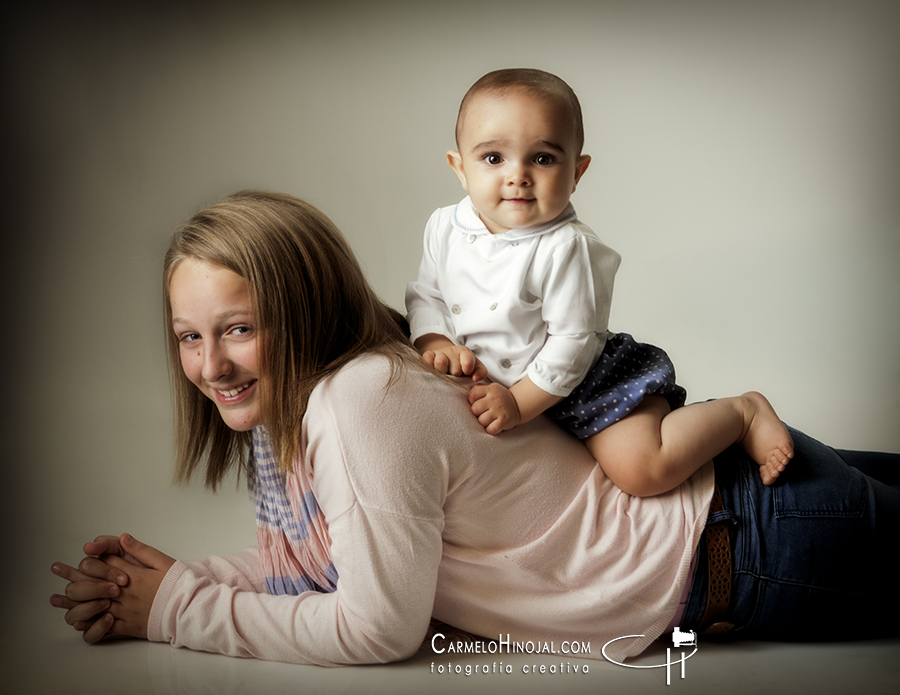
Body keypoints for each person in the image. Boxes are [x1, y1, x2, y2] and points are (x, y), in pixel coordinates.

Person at [50, 191, 898, 666]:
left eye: (237, 329)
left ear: (302, 310)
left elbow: (372, 625)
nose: (211, 367)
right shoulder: (326, 406)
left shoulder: (360, 403)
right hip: (749, 513)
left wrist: (174, 610)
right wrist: (175, 579)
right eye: (189, 337)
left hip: (753, 539)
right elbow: (355, 563)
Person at [406, 69, 793, 497]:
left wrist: (518, 404)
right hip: (511, 385)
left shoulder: (568, 247)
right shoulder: (445, 226)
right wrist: (434, 341)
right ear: (459, 167)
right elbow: (428, 291)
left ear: (577, 172)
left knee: (642, 471)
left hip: (587, 382)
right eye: (494, 158)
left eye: (543, 158)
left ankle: (742, 413)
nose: (518, 175)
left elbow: (572, 342)